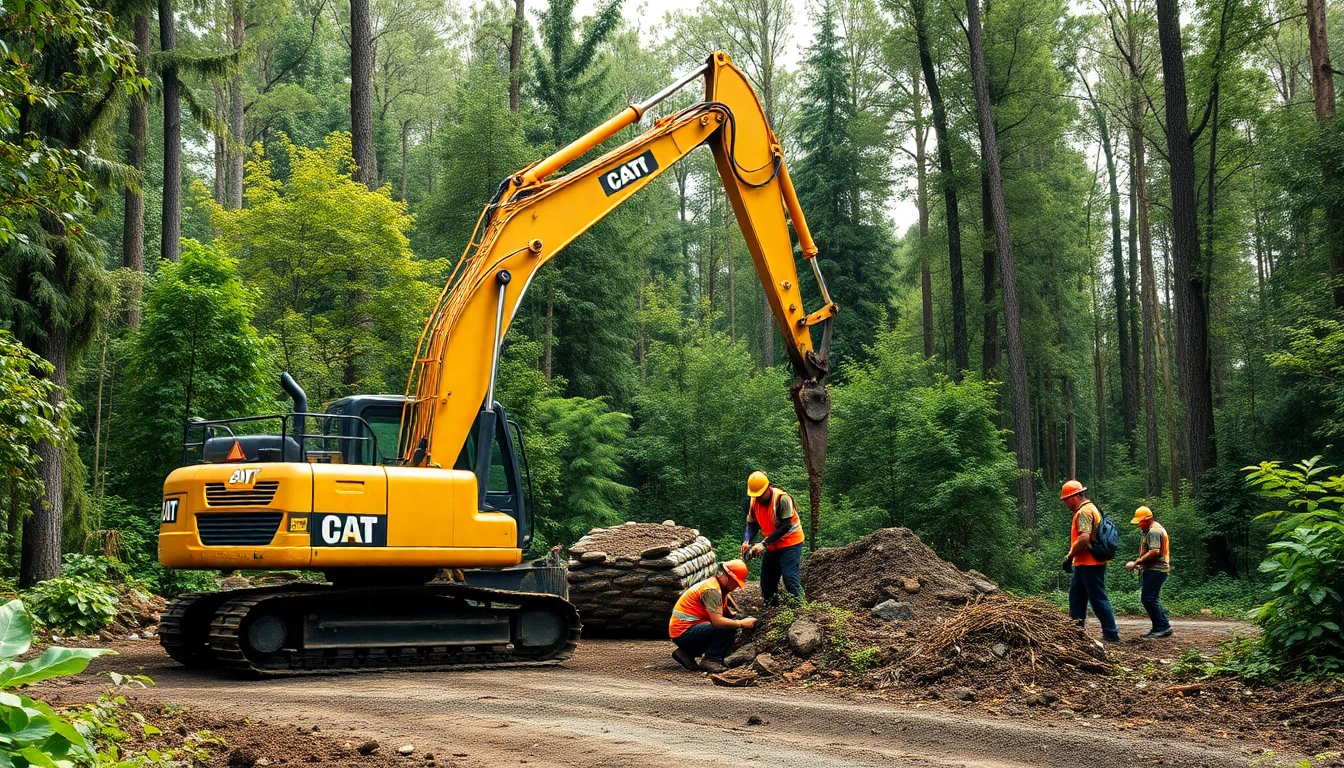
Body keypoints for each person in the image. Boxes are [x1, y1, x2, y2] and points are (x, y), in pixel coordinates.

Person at [669, 559, 757, 673]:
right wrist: (741, 623)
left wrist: (737, 613)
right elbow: (718, 622)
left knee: (726, 626)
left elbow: (725, 605)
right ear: (727, 577)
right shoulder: (712, 591)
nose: (737, 587)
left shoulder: (716, 586)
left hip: (683, 630)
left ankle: (686, 653)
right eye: (736, 583)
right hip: (684, 632)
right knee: (726, 628)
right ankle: (711, 660)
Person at [1061, 480, 1120, 643]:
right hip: (1084, 564)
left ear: (1075, 497)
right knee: (1077, 598)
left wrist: (1069, 556)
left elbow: (1084, 539)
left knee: (1097, 598)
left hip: (1090, 564)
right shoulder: (1090, 508)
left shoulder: (1084, 512)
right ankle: (1076, 632)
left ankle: (1111, 633)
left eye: (1066, 500)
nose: (1065, 503)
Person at [740, 471, 805, 605]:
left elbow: (786, 526)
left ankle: (800, 606)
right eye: (755, 496)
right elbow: (752, 525)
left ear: (768, 486)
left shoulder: (782, 499)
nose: (758, 498)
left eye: (760, 495)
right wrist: (747, 540)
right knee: (767, 581)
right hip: (772, 544)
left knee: (789, 577)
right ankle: (772, 607)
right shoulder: (754, 501)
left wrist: (764, 543)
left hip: (791, 543)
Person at [1126, 506, 1173, 638]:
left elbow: (1154, 552)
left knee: (1148, 599)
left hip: (1156, 569)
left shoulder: (1154, 531)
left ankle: (1162, 626)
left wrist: (1136, 562)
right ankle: (1161, 625)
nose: (1139, 525)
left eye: (1140, 522)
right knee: (1152, 598)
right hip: (1155, 569)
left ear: (1148, 519)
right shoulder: (1152, 530)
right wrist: (1142, 564)